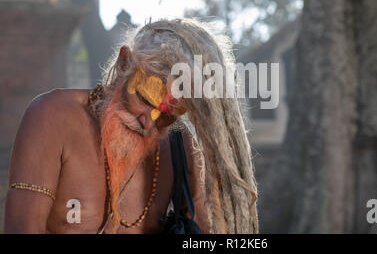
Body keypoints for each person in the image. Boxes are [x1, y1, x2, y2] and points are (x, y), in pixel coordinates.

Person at [4, 18, 258, 234]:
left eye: (168, 116)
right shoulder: (53, 115)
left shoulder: (181, 147)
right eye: (145, 100)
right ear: (125, 62)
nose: (149, 122)